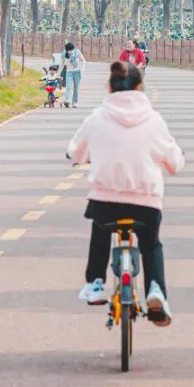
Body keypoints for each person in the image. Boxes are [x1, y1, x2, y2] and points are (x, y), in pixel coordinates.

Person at [67, 60, 184, 326]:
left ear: (109, 87)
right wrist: (176, 159)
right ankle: (156, 290)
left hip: (105, 204)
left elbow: (75, 153)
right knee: (151, 244)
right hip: (146, 205)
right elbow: (174, 164)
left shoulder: (97, 117)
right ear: (140, 87)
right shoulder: (154, 121)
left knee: (100, 231)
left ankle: (96, 283)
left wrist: (77, 156)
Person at [64, 41, 86, 107]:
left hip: (77, 72)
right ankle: (67, 100)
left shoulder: (77, 52)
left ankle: (75, 102)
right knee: (68, 87)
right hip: (69, 72)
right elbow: (62, 64)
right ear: (66, 50)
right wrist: (58, 74)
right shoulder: (64, 54)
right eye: (69, 50)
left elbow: (83, 60)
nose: (71, 51)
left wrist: (83, 68)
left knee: (76, 88)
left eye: (72, 50)